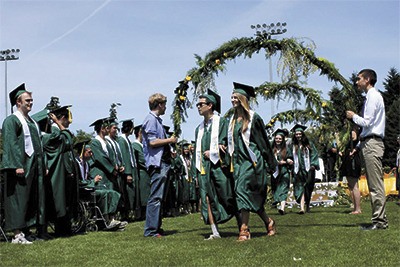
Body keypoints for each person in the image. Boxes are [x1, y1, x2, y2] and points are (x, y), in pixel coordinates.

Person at [228, 82, 277, 241]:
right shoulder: (233, 120)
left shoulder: (254, 118)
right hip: (238, 162)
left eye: (235, 97)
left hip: (253, 161)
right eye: (232, 97)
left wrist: (271, 164)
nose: (233, 99)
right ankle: (268, 221)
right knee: (248, 196)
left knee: (242, 190)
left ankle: (244, 229)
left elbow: (263, 142)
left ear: (243, 99)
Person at [1, 84, 46, 244]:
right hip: (20, 166)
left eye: (31, 100)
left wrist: (43, 166)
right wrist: (16, 165)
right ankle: (17, 234)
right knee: (18, 199)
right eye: (27, 100)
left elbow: (39, 146)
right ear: (18, 102)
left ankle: (26, 231)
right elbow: (10, 144)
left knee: (31, 198)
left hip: (33, 165)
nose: (30, 103)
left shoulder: (32, 122)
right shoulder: (11, 121)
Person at [192, 89, 239, 240]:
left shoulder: (222, 122)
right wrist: (196, 172)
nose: (198, 107)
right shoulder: (198, 129)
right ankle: (215, 232)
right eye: (197, 104)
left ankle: (242, 226)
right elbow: (196, 153)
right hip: (204, 168)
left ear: (210, 105)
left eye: (201, 104)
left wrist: (213, 152)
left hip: (219, 166)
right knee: (207, 198)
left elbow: (226, 143)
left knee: (228, 195)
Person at [346, 69, 388, 230]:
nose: (356, 82)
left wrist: (353, 116)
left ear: (368, 79)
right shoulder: (372, 96)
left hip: (372, 144)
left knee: (375, 184)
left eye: (359, 79)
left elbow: (368, 122)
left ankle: (379, 221)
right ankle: (378, 220)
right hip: (368, 143)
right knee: (373, 183)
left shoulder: (372, 96)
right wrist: (358, 146)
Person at [42, 102, 80, 237]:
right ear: (62, 118)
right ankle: (62, 230)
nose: (69, 122)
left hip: (65, 172)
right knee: (60, 201)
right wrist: (58, 123)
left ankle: (65, 228)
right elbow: (68, 142)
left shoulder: (58, 131)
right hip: (58, 172)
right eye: (67, 119)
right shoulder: (55, 131)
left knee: (65, 201)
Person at [142, 93, 177, 237]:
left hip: (163, 161)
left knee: (160, 196)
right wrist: (170, 140)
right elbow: (153, 142)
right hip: (157, 164)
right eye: (164, 104)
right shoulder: (150, 120)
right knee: (156, 197)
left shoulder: (157, 120)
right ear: (160, 104)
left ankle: (156, 227)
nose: (166, 107)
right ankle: (151, 230)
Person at [74, 140, 122, 230]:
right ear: (82, 152)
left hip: (88, 188)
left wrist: (93, 180)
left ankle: (112, 218)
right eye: (89, 152)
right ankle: (106, 221)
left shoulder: (86, 164)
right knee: (103, 194)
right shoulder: (76, 163)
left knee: (112, 192)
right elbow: (78, 181)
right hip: (80, 191)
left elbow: (87, 178)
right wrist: (92, 182)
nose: (92, 154)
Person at [89, 117, 126, 229]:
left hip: (109, 173)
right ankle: (105, 220)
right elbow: (100, 158)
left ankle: (112, 218)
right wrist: (112, 168)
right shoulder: (95, 142)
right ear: (101, 129)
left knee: (113, 194)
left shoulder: (106, 142)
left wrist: (117, 166)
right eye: (105, 127)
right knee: (105, 195)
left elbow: (112, 156)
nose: (107, 129)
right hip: (101, 172)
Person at [289, 124, 319, 214]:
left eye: (300, 134)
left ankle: (308, 205)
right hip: (297, 170)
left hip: (309, 170)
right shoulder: (293, 145)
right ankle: (302, 208)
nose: (298, 136)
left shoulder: (309, 144)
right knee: (300, 187)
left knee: (308, 188)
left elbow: (314, 154)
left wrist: (313, 165)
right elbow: (289, 155)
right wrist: (289, 160)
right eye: (296, 134)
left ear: (303, 134)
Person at [117, 119, 139, 220]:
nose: (132, 130)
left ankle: (131, 212)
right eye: (132, 127)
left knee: (132, 192)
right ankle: (127, 214)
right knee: (128, 193)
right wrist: (128, 173)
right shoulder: (122, 140)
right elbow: (125, 157)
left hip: (132, 168)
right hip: (128, 170)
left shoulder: (126, 139)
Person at [339, 128, 362, 214]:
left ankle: (358, 208)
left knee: (354, 186)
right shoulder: (350, 143)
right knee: (351, 186)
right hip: (348, 164)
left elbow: (358, 146)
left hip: (353, 164)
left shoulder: (357, 143)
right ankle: (355, 207)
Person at [132, 124, 151, 219]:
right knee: (144, 194)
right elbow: (141, 159)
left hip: (147, 172)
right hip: (142, 173)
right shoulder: (135, 145)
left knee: (147, 193)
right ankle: (142, 214)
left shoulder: (143, 145)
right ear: (140, 133)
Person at [271, 128, 292, 215]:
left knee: (284, 189)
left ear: (283, 139)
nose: (278, 140)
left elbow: (290, 158)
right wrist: (277, 163)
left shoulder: (286, 149)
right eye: (276, 138)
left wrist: (288, 161)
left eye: (280, 139)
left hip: (284, 171)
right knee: (275, 189)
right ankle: (278, 203)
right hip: (275, 172)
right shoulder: (271, 149)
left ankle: (282, 208)